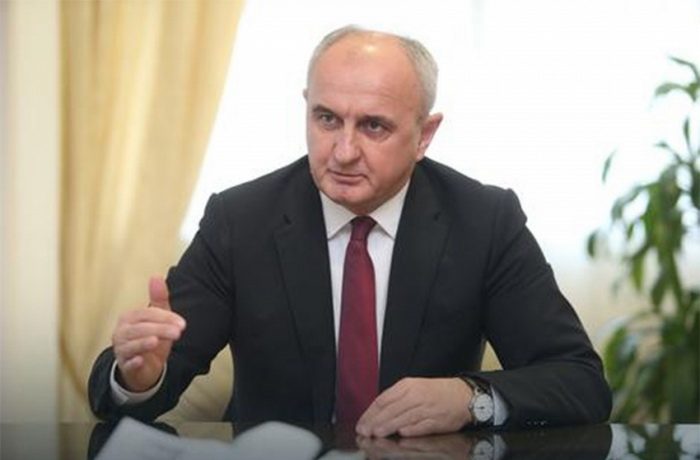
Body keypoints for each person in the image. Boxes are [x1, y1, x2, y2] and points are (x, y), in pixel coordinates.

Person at [89, 25, 611, 437]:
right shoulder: (240, 219)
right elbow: (138, 387)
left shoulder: (483, 220)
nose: (342, 152)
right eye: (326, 119)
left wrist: (469, 398)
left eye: (373, 126)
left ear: (425, 134)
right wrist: (138, 376)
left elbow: (580, 381)